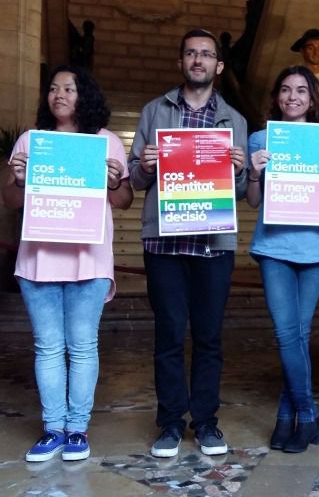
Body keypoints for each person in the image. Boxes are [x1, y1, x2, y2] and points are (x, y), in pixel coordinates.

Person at [3, 65, 134, 463]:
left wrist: (113, 182)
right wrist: (20, 180)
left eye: (69, 88)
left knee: (82, 346)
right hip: (40, 258)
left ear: (85, 95)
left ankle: (77, 429)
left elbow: (124, 200)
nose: (59, 94)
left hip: (88, 259)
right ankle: (52, 429)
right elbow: (10, 201)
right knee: (46, 347)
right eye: (53, 88)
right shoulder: (32, 142)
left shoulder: (105, 142)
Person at [127, 29, 248, 458]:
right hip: (164, 244)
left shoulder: (235, 120)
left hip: (213, 244)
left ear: (218, 66)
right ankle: (171, 423)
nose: (198, 60)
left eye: (207, 55)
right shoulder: (153, 111)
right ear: (181, 62)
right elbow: (135, 181)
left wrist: (237, 170)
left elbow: (239, 191)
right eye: (191, 53)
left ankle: (207, 422)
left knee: (210, 337)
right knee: (169, 335)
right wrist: (142, 165)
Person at [246, 65, 319, 453]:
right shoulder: (260, 138)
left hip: (315, 249)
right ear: (277, 96)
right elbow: (254, 201)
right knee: (286, 333)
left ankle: (285, 416)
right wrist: (255, 175)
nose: (293, 97)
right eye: (286, 90)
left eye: (301, 91)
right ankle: (308, 414)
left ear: (313, 99)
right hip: (274, 247)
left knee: (297, 335)